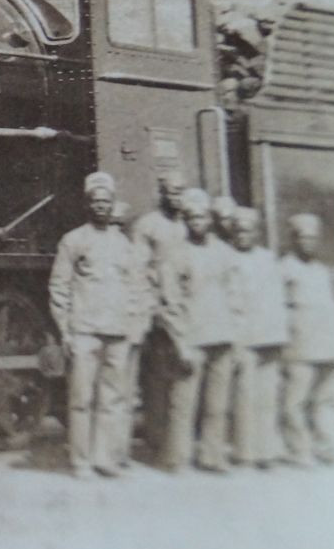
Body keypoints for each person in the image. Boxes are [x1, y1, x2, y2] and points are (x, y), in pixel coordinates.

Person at [48, 172, 142, 479]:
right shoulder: (73, 241)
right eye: (96, 201)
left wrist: (132, 327)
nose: (101, 206)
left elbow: (135, 287)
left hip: (117, 333)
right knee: (81, 400)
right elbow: (59, 288)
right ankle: (81, 461)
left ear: (113, 205)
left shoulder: (125, 245)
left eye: (106, 201)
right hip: (84, 332)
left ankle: (104, 458)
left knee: (112, 399)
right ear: (87, 205)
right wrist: (66, 331)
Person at [156, 187, 243, 473]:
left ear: (211, 218)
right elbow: (170, 301)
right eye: (191, 217)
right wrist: (180, 342)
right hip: (191, 338)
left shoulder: (225, 253)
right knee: (183, 403)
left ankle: (212, 456)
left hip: (223, 337)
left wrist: (237, 336)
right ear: (185, 220)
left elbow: (236, 297)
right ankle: (177, 459)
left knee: (217, 405)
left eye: (202, 216)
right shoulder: (175, 254)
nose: (198, 222)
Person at [123, 169, 191, 466]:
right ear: (161, 193)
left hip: (186, 310)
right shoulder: (147, 226)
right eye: (172, 191)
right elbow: (138, 268)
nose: (177, 196)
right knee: (155, 379)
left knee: (182, 380)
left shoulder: (189, 225)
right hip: (157, 308)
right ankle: (154, 441)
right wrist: (150, 306)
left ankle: (177, 444)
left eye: (181, 191)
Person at [280, 213, 334, 466]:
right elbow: (278, 308)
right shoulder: (284, 269)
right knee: (294, 403)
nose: (308, 242)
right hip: (300, 347)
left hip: (328, 347)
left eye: (313, 238)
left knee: (327, 401)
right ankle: (299, 451)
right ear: (293, 239)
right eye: (302, 237)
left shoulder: (321, 270)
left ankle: (326, 448)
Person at [227, 208, 289, 469]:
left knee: (268, 397)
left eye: (249, 230)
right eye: (239, 230)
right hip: (243, 336)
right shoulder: (228, 259)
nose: (243, 235)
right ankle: (246, 453)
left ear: (257, 233)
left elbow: (277, 299)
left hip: (269, 336)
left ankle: (268, 451)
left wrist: (280, 335)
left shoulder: (268, 259)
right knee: (244, 397)